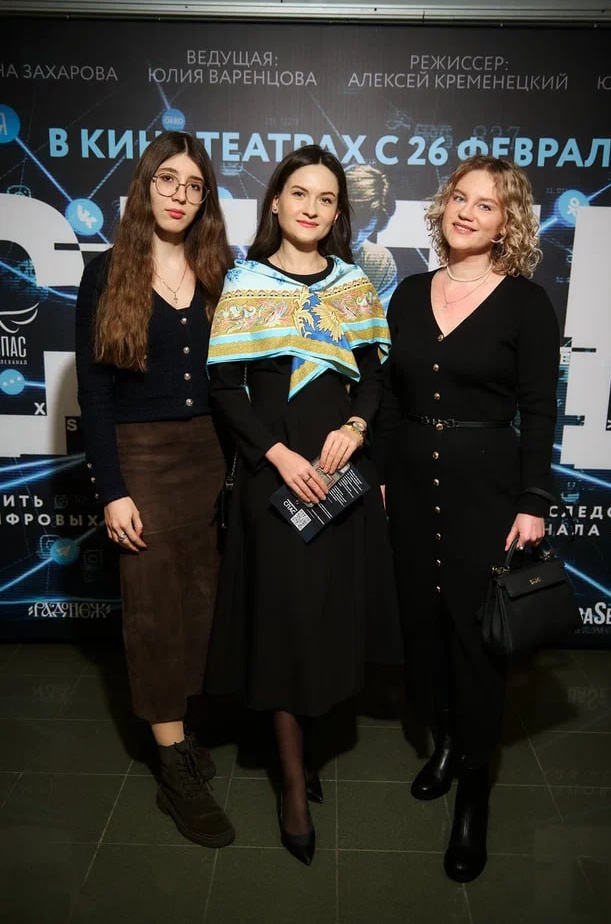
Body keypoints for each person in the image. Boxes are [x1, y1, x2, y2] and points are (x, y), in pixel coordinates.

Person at [206, 145, 401, 866]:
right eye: (299, 193)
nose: (312, 207)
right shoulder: (245, 283)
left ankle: (310, 751)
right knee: (284, 625)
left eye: (326, 197)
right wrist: (279, 456)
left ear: (338, 211)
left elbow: (375, 381)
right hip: (276, 479)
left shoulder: (355, 285)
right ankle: (291, 784)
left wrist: (355, 428)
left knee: (326, 619)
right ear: (275, 203)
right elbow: (225, 391)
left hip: (341, 480)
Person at [373, 155, 559, 882]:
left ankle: (474, 795)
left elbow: (538, 410)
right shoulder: (408, 292)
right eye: (459, 197)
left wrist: (533, 501)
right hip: (410, 484)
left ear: (506, 223)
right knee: (424, 634)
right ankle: (446, 743)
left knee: (478, 645)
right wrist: (381, 475)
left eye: (486, 204)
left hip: (489, 490)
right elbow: (390, 397)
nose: (467, 212)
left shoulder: (526, 304)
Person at [75, 131, 235, 848]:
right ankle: (174, 769)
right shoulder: (107, 272)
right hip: (140, 460)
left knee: (203, 606)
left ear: (205, 200)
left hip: (212, 457)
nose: (180, 194)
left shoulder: (220, 269)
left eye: (194, 185)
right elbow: (94, 393)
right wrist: (113, 489)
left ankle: (184, 734)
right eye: (168, 179)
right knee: (153, 614)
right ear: (145, 186)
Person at [346, 164, 398, 310]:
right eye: (350, 222)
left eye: (366, 229)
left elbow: (382, 320)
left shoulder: (379, 262)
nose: (355, 236)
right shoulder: (302, 252)